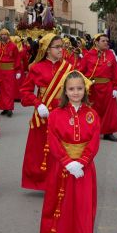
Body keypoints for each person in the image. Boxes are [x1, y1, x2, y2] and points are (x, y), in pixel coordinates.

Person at [39, 70, 100, 233]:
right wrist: (67, 162)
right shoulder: (56, 114)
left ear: (85, 90)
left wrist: (81, 162)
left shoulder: (92, 114)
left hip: (85, 168)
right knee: (61, 204)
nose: (75, 92)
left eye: (79, 88)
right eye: (71, 89)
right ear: (65, 91)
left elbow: (94, 141)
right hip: (61, 167)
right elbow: (53, 140)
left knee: (84, 206)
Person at [20, 33, 72, 191]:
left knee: (63, 148)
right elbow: (24, 91)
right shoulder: (36, 68)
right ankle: (42, 182)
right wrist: (37, 104)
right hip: (44, 113)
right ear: (47, 50)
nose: (60, 50)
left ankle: (62, 180)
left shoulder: (68, 67)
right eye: (57, 47)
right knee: (41, 149)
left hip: (63, 112)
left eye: (61, 47)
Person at [79, 33, 117, 142]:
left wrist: (115, 87)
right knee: (92, 110)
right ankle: (92, 132)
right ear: (96, 42)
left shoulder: (111, 54)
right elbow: (80, 71)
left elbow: (115, 72)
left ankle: (108, 132)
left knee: (109, 111)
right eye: (103, 41)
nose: (106, 42)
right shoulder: (88, 55)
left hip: (107, 87)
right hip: (93, 88)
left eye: (107, 41)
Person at [0, 28, 21, 117]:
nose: (4, 36)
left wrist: (18, 70)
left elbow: (17, 58)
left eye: (5, 34)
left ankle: (9, 108)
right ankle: (4, 107)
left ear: (8, 36)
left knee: (9, 90)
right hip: (0, 70)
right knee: (1, 90)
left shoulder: (13, 46)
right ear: (0, 36)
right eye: (2, 34)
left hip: (10, 70)